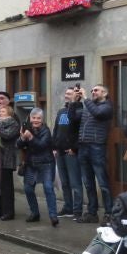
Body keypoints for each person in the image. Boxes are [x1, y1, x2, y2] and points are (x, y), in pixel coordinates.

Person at [71, 84, 114, 223]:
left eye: (96, 90)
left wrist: (85, 98)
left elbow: (98, 113)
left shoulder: (107, 107)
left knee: (102, 182)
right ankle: (92, 213)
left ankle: (109, 213)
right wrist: (74, 101)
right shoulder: (88, 107)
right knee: (88, 183)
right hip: (83, 147)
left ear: (105, 93)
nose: (93, 92)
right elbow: (72, 117)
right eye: (92, 90)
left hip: (97, 147)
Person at [16, 108, 58, 226]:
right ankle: (35, 213)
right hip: (31, 164)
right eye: (33, 118)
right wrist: (23, 137)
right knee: (28, 189)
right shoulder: (26, 129)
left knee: (48, 188)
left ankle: (53, 216)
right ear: (30, 118)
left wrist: (30, 138)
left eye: (38, 118)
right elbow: (18, 145)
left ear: (42, 119)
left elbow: (41, 145)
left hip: (46, 164)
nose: (35, 120)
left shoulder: (46, 131)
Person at [53, 87, 84, 221]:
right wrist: (54, 147)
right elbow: (56, 130)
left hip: (71, 152)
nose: (67, 95)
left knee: (75, 183)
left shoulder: (80, 110)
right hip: (59, 152)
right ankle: (68, 208)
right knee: (64, 183)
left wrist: (75, 148)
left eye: (70, 94)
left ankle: (77, 210)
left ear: (76, 96)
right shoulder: (61, 111)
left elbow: (80, 131)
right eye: (66, 93)